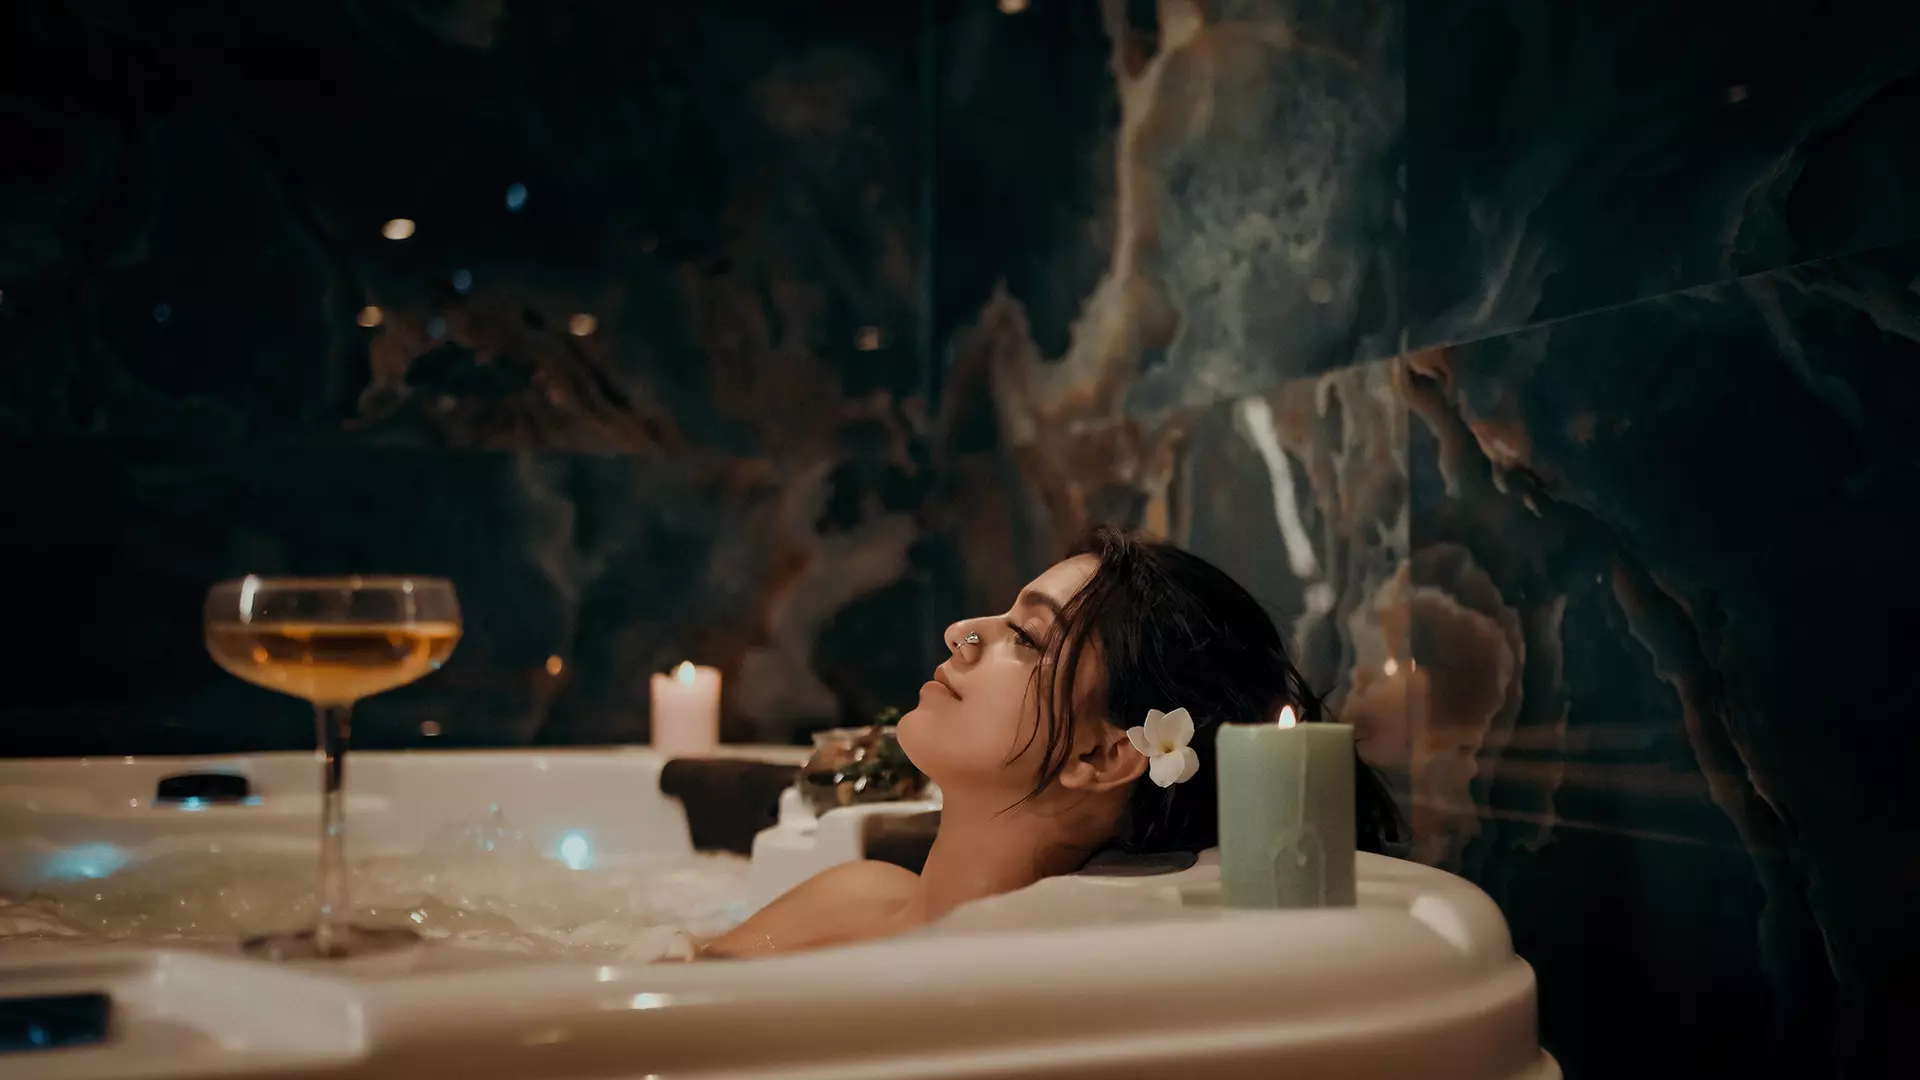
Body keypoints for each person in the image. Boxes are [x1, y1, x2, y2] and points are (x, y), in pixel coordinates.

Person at [698, 526, 1400, 958]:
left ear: (1105, 755)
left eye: (1027, 638)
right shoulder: (855, 890)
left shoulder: (1020, 980)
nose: (961, 633)